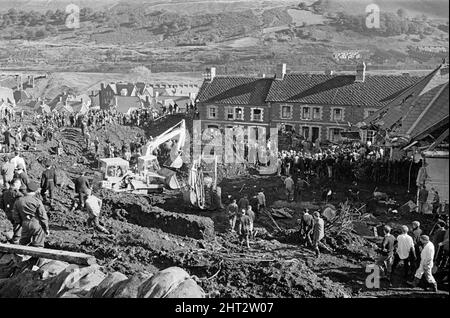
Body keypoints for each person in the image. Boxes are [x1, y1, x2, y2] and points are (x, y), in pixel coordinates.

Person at [12, 181, 49, 248]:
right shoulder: (37, 201)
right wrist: (46, 228)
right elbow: (43, 216)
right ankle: (36, 258)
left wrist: (20, 223)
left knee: (23, 244)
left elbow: (15, 216)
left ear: (26, 189)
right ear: (35, 191)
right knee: (38, 245)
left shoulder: (18, 200)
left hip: (25, 223)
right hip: (37, 223)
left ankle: (19, 256)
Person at [0, 178, 23, 244]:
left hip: (7, 213)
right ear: (15, 184)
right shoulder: (18, 194)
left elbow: (1, 204)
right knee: (17, 230)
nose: (20, 185)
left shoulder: (5, 193)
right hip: (16, 214)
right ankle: (15, 242)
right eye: (19, 184)